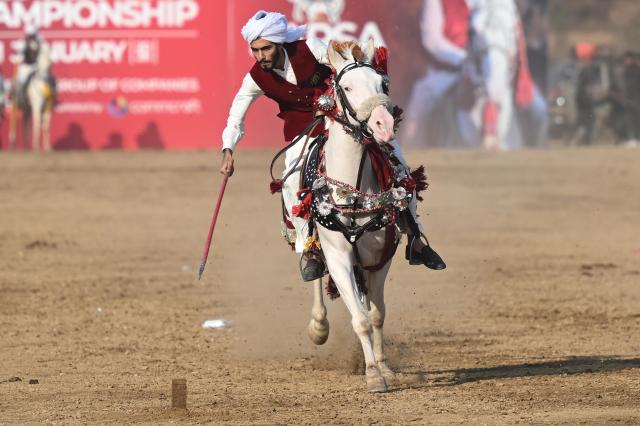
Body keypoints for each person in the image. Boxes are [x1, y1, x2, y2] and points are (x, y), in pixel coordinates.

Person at [219, 10, 445, 281]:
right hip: (304, 132)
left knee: (397, 161)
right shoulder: (255, 78)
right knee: (290, 180)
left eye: (265, 48)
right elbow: (235, 115)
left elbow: (348, 64)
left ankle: (416, 238)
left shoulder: (310, 49)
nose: (260, 56)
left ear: (279, 43)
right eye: (255, 50)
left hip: (344, 121)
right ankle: (309, 249)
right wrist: (228, 149)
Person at [14, 24, 55, 109]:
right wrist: (19, 56)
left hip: (36, 66)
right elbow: (19, 53)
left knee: (48, 79)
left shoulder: (40, 42)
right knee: (21, 80)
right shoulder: (23, 43)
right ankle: (21, 99)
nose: (31, 36)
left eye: (32, 34)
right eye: (30, 35)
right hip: (26, 67)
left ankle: (50, 99)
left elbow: (45, 52)